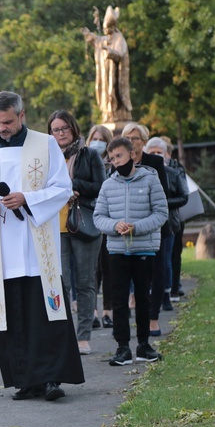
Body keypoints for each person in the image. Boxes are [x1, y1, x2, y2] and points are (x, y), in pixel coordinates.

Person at [0, 91, 84, 401]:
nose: (2, 128)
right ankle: (25, 379)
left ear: (21, 115)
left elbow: (62, 189)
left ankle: (51, 379)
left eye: (7, 121)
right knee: (14, 314)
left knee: (43, 313)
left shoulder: (44, 144)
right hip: (3, 246)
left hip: (36, 247)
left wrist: (27, 199)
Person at [93, 137, 167, 366]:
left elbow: (161, 213)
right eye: (112, 158)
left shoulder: (151, 180)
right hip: (116, 250)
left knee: (143, 297)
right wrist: (115, 226)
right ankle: (122, 347)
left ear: (132, 155)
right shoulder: (108, 185)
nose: (116, 162)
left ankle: (144, 345)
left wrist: (137, 227)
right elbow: (98, 217)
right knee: (118, 299)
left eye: (120, 156)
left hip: (144, 248)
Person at [48, 111, 105, 356]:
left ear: (73, 129)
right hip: (53, 227)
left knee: (84, 282)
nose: (60, 134)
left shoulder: (89, 154)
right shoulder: (46, 157)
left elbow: (101, 187)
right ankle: (64, 335)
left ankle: (83, 336)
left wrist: (75, 187)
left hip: (84, 223)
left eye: (64, 129)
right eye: (55, 130)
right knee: (60, 284)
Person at [122, 123, 170, 338]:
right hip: (127, 227)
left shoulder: (155, 162)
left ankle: (153, 318)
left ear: (143, 141)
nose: (132, 142)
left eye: (136, 138)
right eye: (128, 138)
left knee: (157, 272)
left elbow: (162, 193)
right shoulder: (118, 162)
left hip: (154, 225)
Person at [145, 137, 188, 319]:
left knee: (166, 260)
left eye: (159, 153)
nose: (155, 156)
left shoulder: (173, 173)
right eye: (152, 152)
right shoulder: (143, 174)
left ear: (166, 155)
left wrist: (162, 203)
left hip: (169, 222)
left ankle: (167, 293)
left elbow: (183, 196)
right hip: (147, 223)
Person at [80, 6, 132, 124]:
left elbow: (120, 54)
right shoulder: (105, 38)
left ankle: (118, 114)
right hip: (105, 76)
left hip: (116, 77)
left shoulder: (119, 39)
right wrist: (89, 35)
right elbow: (97, 40)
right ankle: (108, 115)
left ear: (113, 27)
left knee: (114, 92)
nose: (105, 31)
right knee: (104, 92)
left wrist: (109, 51)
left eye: (107, 29)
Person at [86, 125, 114, 329]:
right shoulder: (85, 162)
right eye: (94, 138)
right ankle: (93, 311)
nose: (97, 142)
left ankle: (108, 311)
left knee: (109, 268)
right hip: (91, 220)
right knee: (92, 269)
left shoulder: (114, 164)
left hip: (111, 220)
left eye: (101, 139)